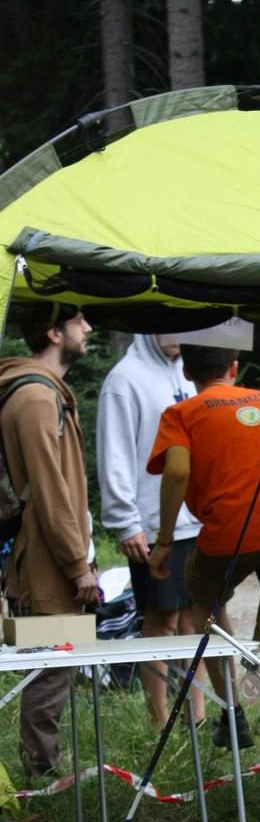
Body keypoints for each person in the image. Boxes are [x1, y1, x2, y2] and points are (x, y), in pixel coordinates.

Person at [147, 338, 260, 822]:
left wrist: (166, 538)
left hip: (224, 539)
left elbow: (176, 470)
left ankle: (232, 713)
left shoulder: (183, 411)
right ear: (235, 367)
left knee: (199, 609)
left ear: (187, 371)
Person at [0, 304, 98, 777]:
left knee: (55, 662)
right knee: (51, 664)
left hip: (45, 554)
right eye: (80, 321)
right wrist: (78, 563)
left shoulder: (41, 392)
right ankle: (42, 775)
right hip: (45, 560)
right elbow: (49, 487)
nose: (89, 329)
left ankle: (44, 767)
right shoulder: (37, 398)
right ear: (54, 332)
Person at [97, 334, 204, 728]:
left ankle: (197, 716)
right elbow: (116, 454)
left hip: (194, 521)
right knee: (161, 622)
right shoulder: (125, 380)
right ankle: (160, 721)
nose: (180, 336)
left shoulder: (187, 372)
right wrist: (126, 522)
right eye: (172, 327)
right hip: (151, 522)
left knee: (194, 619)